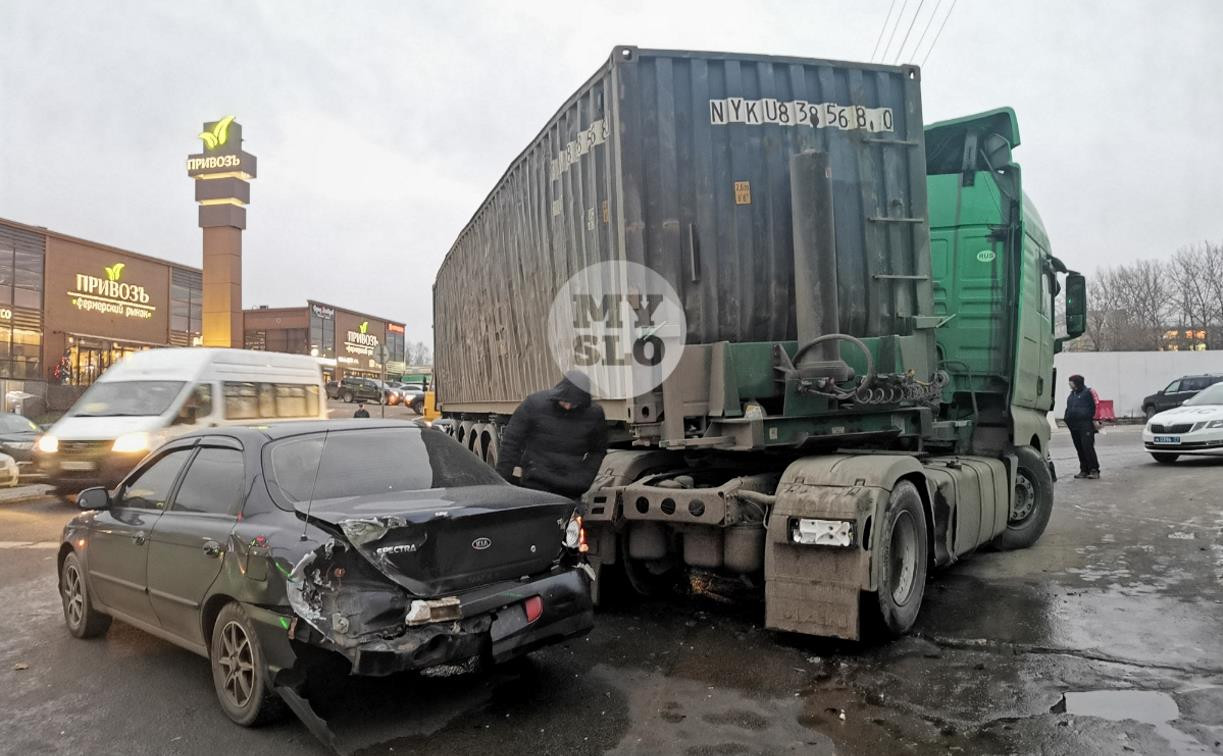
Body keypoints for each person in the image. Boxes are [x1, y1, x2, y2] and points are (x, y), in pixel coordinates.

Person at [495, 371, 608, 498]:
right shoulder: (534, 405)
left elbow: (598, 450)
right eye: (565, 401)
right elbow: (511, 443)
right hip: (535, 484)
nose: (568, 406)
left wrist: (584, 480)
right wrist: (502, 483)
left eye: (574, 404)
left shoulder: (594, 414)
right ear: (559, 393)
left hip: (571, 487)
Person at [1064, 374, 1099, 479]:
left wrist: (1095, 420)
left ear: (1077, 382)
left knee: (1087, 447)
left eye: (1071, 382)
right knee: (1079, 448)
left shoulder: (1088, 392)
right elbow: (1069, 408)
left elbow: (1096, 406)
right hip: (1074, 426)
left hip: (1085, 425)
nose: (1069, 384)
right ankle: (1084, 470)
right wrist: (1066, 418)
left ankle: (1094, 470)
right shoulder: (1072, 395)